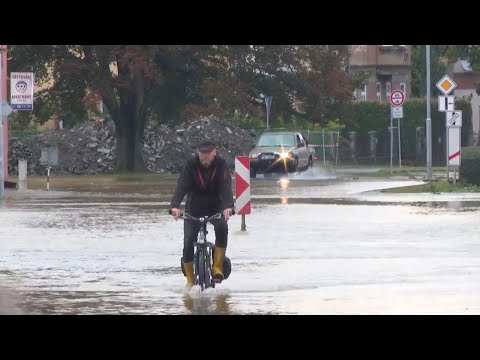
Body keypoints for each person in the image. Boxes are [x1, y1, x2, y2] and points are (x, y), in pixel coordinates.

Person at [170, 140, 234, 287]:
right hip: (194, 208)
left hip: (216, 207)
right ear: (198, 153)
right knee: (188, 241)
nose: (204, 157)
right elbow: (182, 186)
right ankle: (190, 280)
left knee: (222, 228)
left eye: (207, 154)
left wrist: (228, 207)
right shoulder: (191, 165)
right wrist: (175, 206)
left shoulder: (221, 165)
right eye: (202, 154)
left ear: (214, 152)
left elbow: (226, 187)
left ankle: (217, 266)